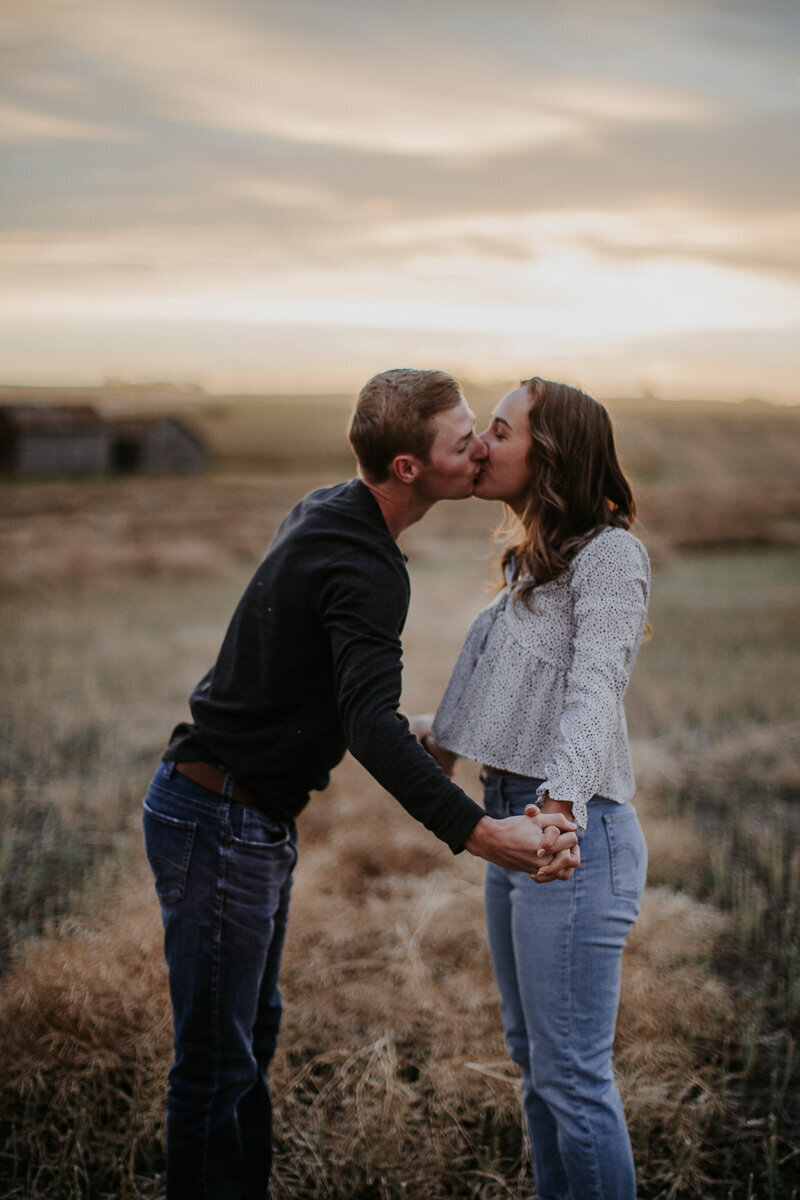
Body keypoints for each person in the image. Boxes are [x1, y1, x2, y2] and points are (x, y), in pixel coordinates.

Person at [142, 367, 580, 1200]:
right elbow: (368, 724)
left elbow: (329, 684)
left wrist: (402, 725)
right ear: (409, 468)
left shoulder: (327, 508)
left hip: (239, 815)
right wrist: (481, 833)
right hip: (218, 818)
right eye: (462, 439)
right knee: (213, 1069)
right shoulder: (370, 564)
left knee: (246, 1049)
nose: (481, 446)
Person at [416, 376, 650, 1200]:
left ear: (549, 456)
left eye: (502, 432)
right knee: (534, 1065)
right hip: (512, 825)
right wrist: (434, 737)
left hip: (571, 840)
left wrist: (556, 807)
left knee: (573, 1080)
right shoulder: (530, 568)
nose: (482, 445)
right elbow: (510, 695)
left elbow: (595, 690)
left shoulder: (610, 556)